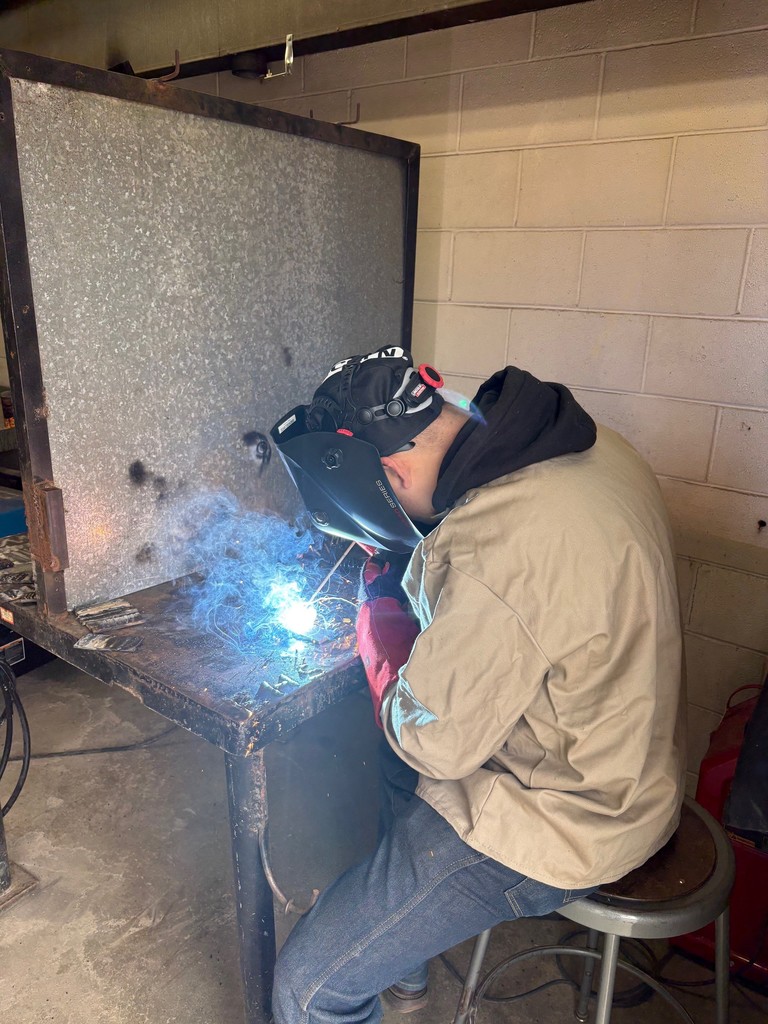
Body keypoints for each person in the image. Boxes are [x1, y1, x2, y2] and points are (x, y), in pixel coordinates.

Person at [269, 346, 685, 1024]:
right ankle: (401, 970)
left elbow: (435, 745)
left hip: (567, 816)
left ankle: (369, 971)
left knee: (310, 987)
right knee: (391, 770)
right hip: (629, 755)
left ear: (393, 470)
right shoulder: (586, 444)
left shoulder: (500, 547)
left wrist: (381, 651)